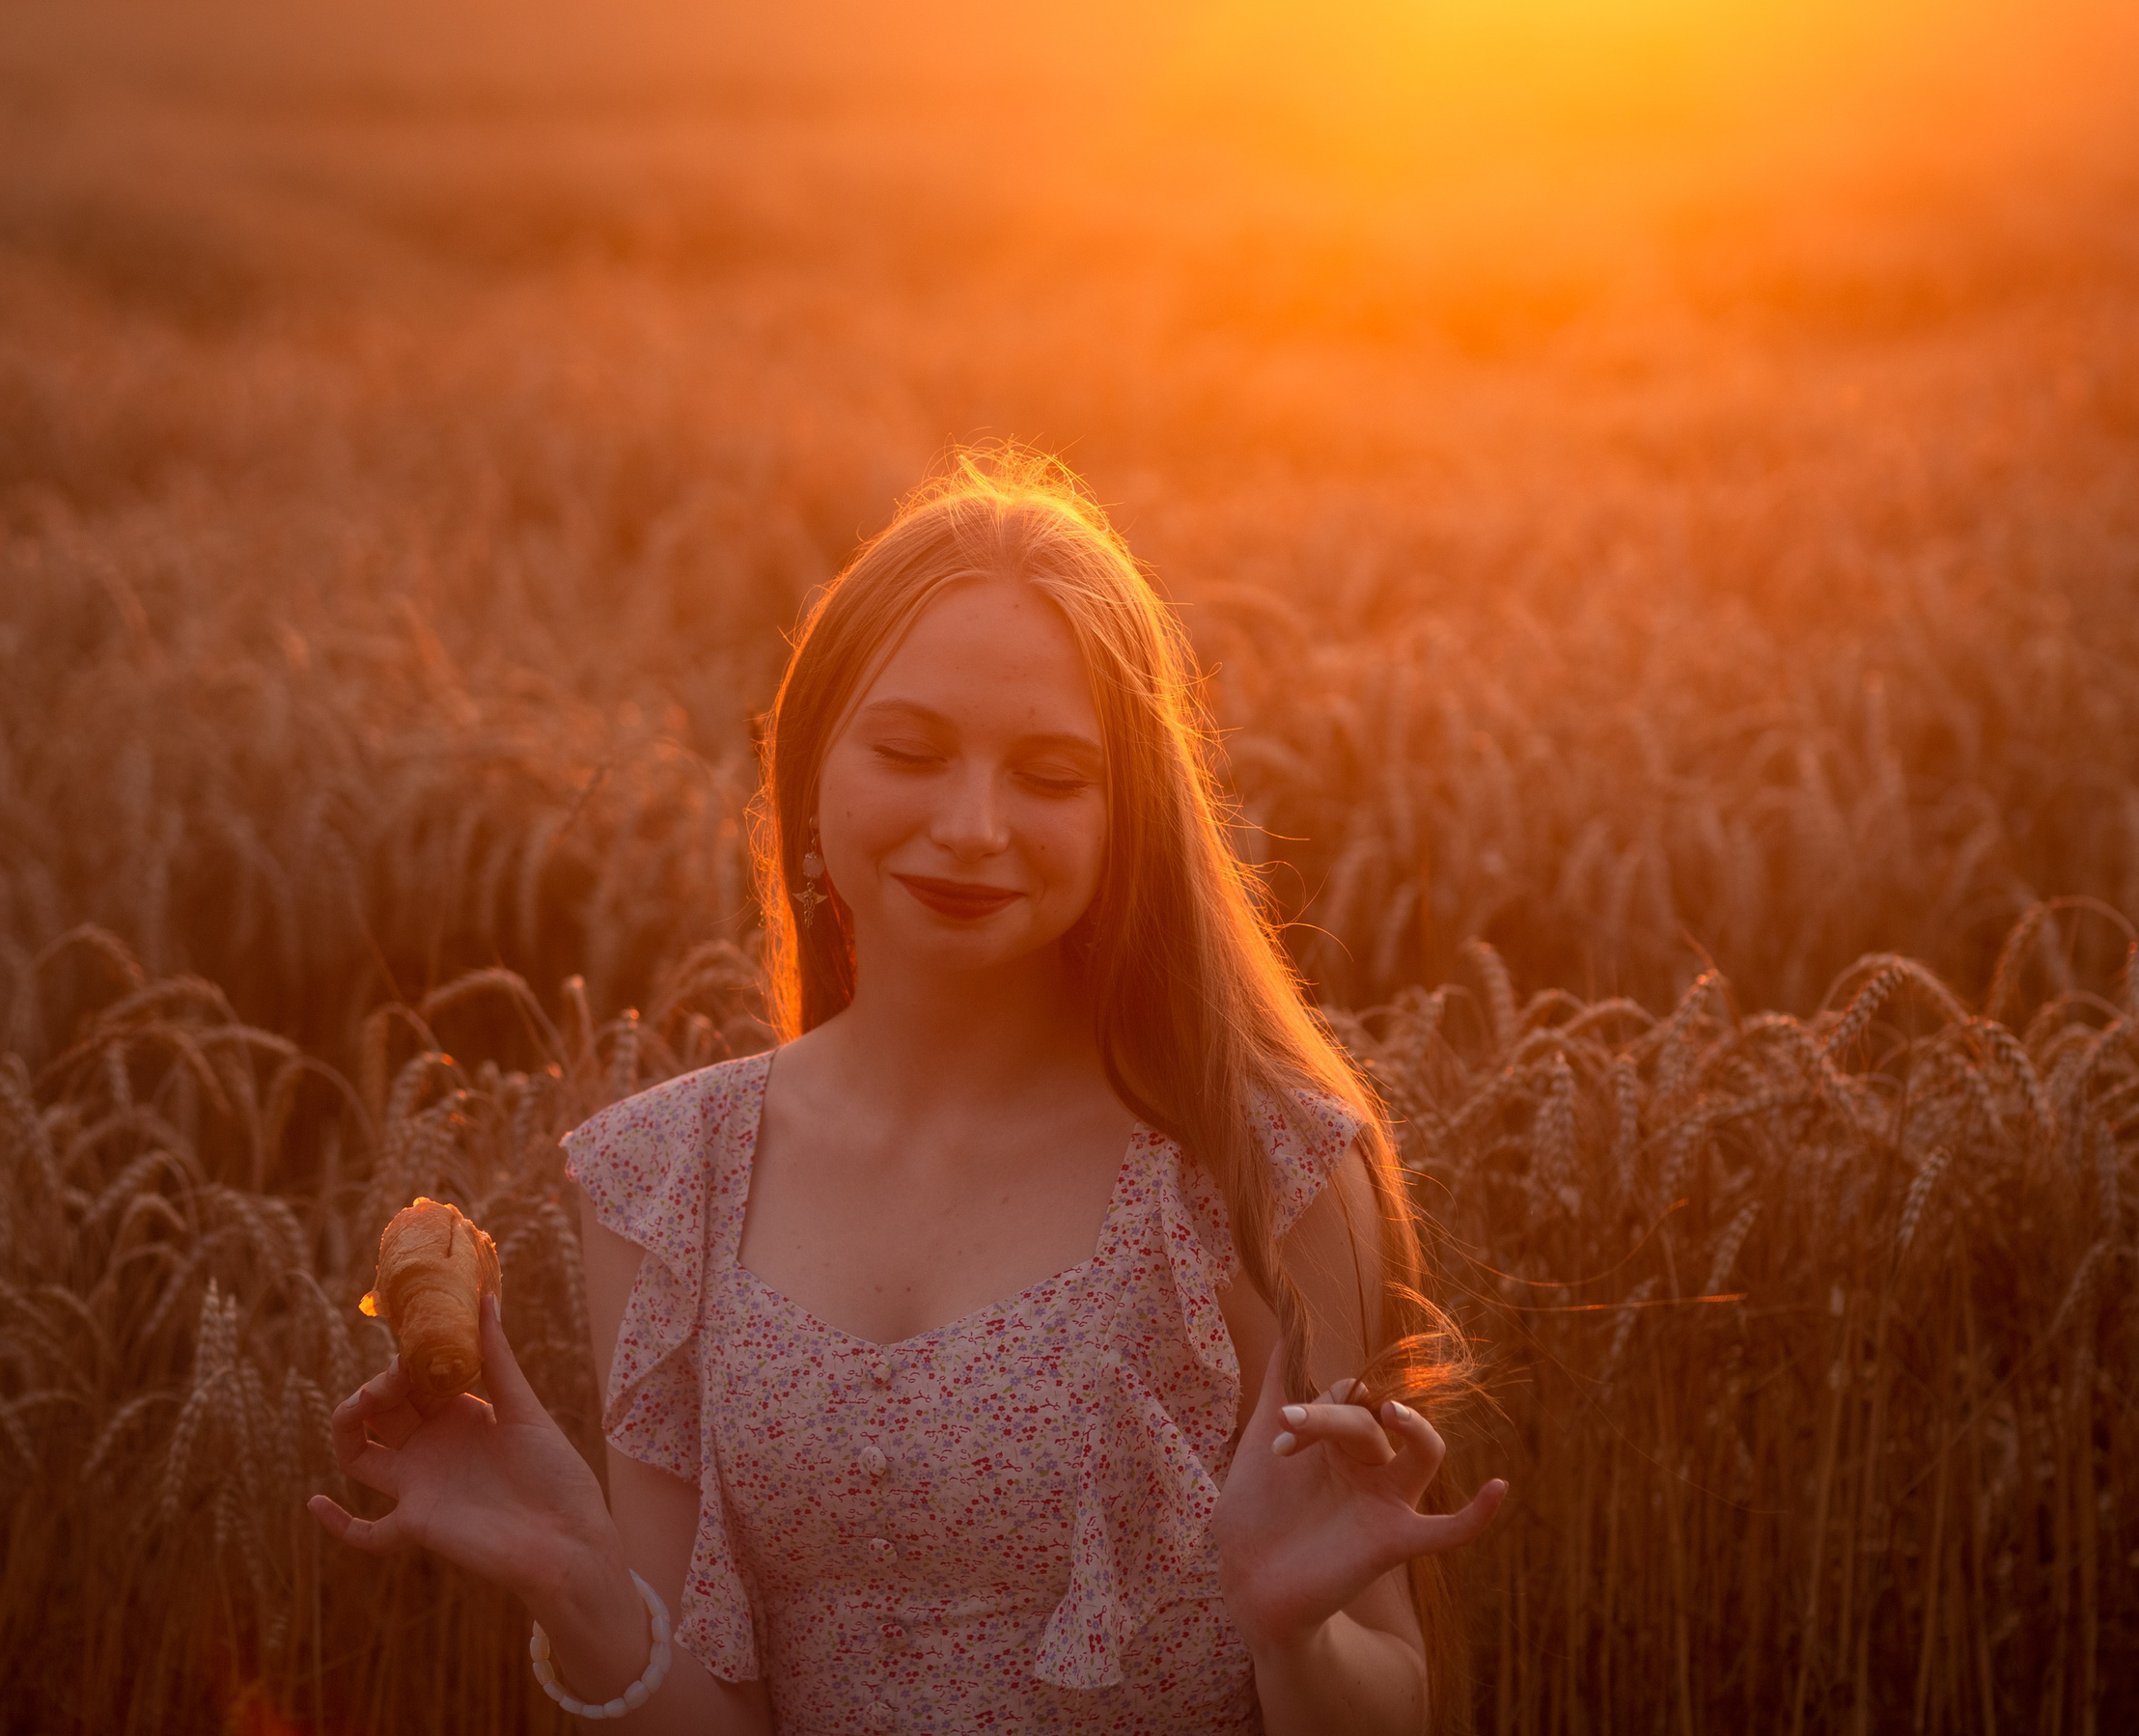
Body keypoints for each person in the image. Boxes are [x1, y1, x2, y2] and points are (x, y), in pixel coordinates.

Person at [309, 449, 1506, 1732]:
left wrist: (1295, 1632)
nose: (975, 824)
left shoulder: (1260, 1166)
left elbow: (1395, 1698)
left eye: (1051, 776)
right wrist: (576, 1576)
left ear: (1128, 820)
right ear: (814, 762)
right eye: (910, 750)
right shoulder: (665, 1182)